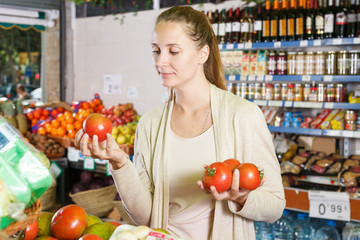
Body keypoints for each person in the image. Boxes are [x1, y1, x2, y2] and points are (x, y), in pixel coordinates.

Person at [75, 5, 285, 239]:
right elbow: (145, 218)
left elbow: (275, 206)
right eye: (156, 50)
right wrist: (120, 163)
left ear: (202, 54)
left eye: (173, 51)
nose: (160, 62)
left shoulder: (243, 115)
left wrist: (243, 198)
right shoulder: (150, 124)